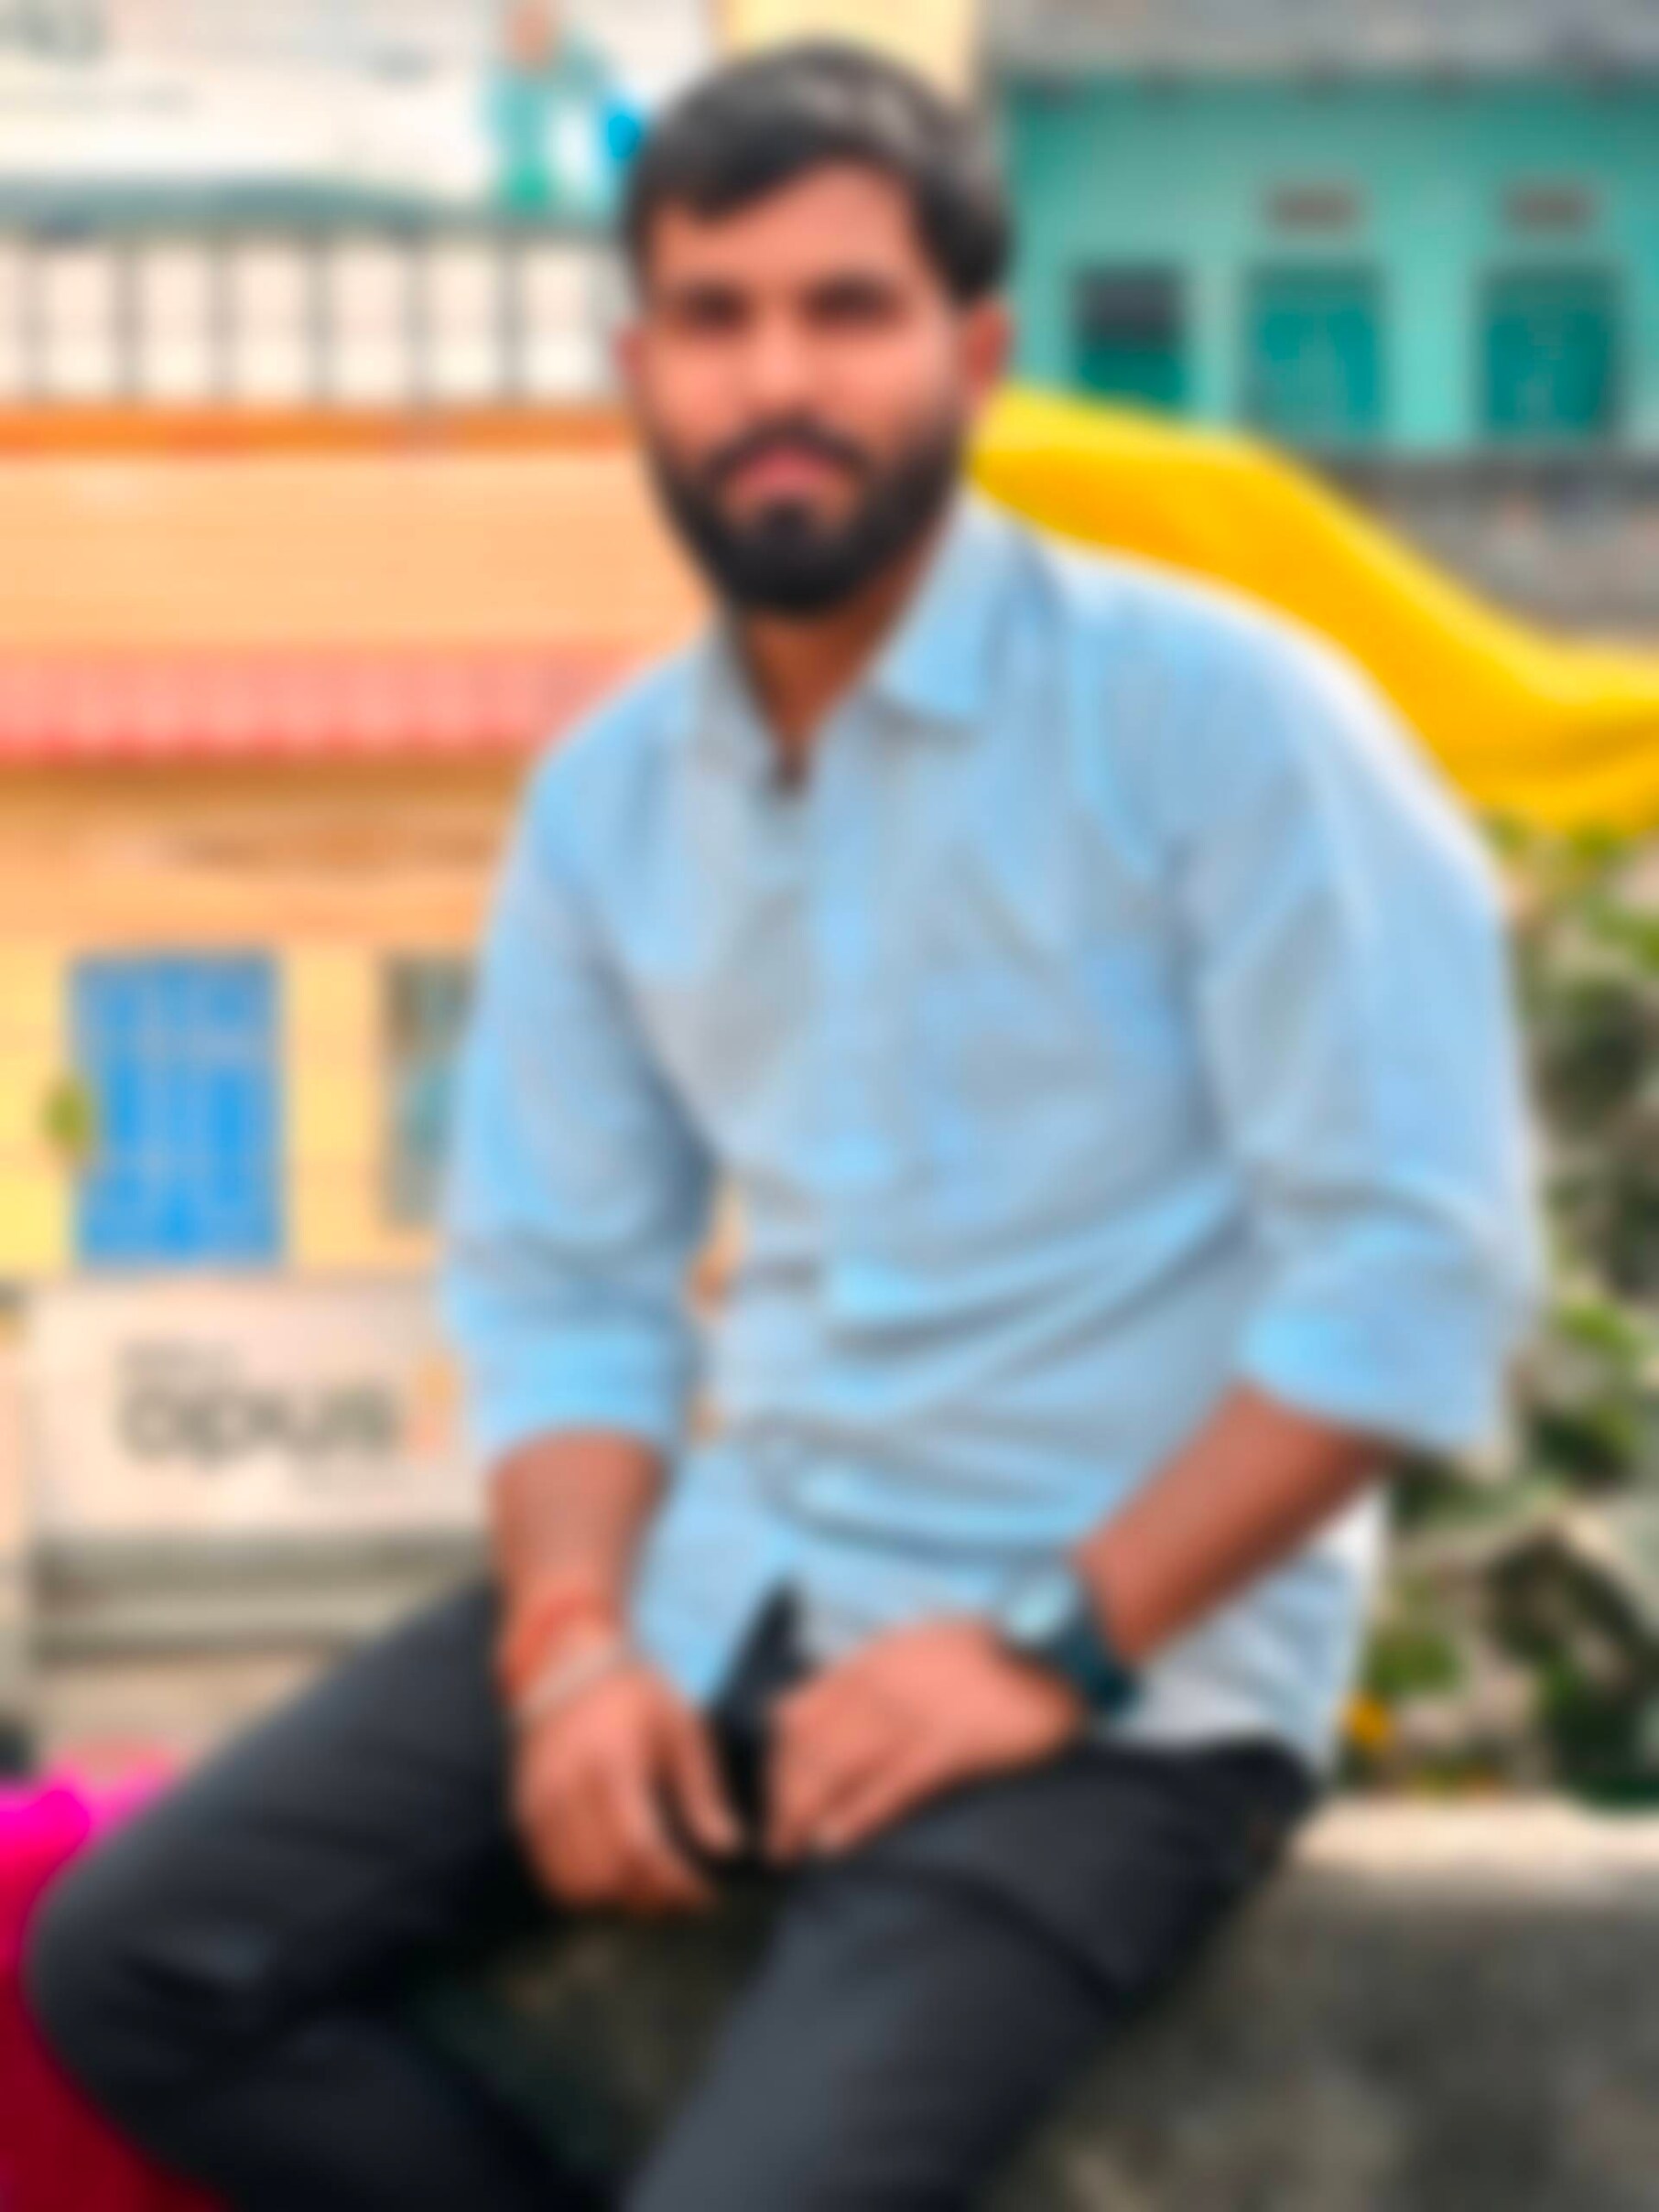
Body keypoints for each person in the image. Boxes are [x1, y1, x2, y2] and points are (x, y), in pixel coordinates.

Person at [22, 40, 1545, 2211]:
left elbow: (1415, 1275)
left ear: (976, 354)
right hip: (731, 1583)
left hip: (1128, 1689)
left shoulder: (1230, 722)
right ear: (639, 370)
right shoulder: (612, 802)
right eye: (716, 318)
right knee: (138, 1961)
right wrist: (571, 1643)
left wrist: (1049, 1647)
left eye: (848, 310)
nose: (777, 381)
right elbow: (566, 1285)